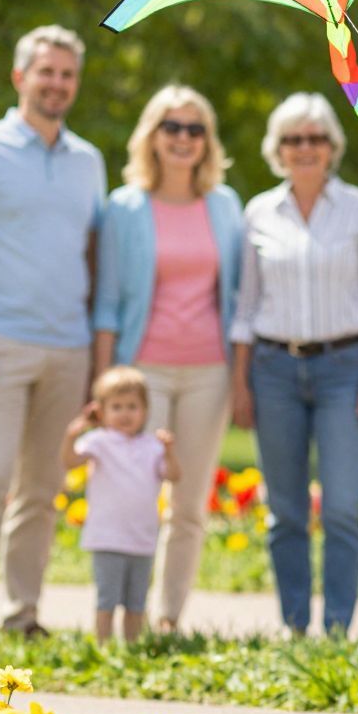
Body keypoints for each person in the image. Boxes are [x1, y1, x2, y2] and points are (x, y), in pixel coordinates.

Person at [0, 25, 107, 642]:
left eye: (67, 74)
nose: (57, 84)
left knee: (42, 487)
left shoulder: (89, 161)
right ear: (20, 77)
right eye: (47, 72)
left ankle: (23, 612)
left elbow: (92, 255)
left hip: (69, 346)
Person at [230, 92, 358, 637]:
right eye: (293, 139)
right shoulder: (257, 213)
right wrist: (240, 382)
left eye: (315, 138)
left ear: (332, 146)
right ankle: (296, 626)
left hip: (345, 370)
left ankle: (336, 630)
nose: (305, 147)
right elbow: (245, 308)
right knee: (285, 511)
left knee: (343, 507)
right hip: (273, 370)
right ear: (277, 149)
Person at [93, 84, 243, 633]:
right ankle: (122, 611)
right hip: (141, 373)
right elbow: (107, 301)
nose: (183, 138)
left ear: (207, 141)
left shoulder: (225, 205)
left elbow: (238, 298)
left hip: (209, 372)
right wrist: (104, 380)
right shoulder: (124, 206)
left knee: (189, 504)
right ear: (152, 136)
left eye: (195, 129)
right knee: (135, 497)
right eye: (172, 127)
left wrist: (240, 376)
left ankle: (168, 618)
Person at [61, 367, 180, 643]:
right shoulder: (98, 442)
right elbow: (70, 461)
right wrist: (70, 436)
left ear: (145, 410)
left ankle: (131, 647)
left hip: (141, 539)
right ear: (101, 411)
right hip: (107, 538)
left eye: (132, 406)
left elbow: (174, 475)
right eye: (116, 407)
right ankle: (103, 647)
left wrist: (170, 452)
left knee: (136, 603)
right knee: (107, 600)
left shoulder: (152, 446)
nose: (125, 414)